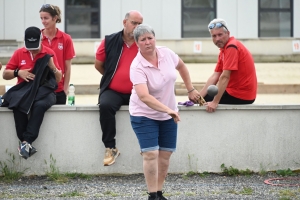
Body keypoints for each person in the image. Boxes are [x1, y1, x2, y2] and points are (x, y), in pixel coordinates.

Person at [129, 24, 200, 200]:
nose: (147, 42)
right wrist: (169, 110)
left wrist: (190, 89)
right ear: (137, 43)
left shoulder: (167, 53)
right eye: (143, 40)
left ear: (155, 38)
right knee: (151, 153)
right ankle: (152, 195)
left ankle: (159, 192)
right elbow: (144, 97)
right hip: (144, 114)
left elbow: (182, 67)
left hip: (168, 114)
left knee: (165, 155)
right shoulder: (137, 65)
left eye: (150, 38)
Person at [2, 26, 62, 159]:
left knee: (39, 105)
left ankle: (26, 141)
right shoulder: (19, 53)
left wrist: (52, 66)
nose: (33, 50)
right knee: (17, 104)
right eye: (30, 47)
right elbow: (5, 75)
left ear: (41, 40)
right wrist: (18, 72)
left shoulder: (49, 53)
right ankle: (25, 142)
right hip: (24, 91)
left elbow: (58, 79)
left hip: (46, 92)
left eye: (35, 47)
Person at [94, 10, 143, 166]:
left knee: (152, 106)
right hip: (113, 91)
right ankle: (110, 147)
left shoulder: (144, 41)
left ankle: (148, 146)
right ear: (125, 22)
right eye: (134, 23)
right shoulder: (110, 41)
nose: (137, 27)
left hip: (138, 90)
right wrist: (113, 77)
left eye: (140, 24)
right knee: (105, 105)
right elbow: (98, 65)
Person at [199, 18, 257, 113]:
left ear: (228, 33)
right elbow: (215, 76)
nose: (217, 39)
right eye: (214, 36)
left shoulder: (231, 47)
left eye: (220, 35)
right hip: (236, 93)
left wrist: (215, 102)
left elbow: (225, 77)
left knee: (206, 101)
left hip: (241, 95)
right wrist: (197, 99)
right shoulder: (223, 50)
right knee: (202, 100)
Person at [39, 4, 75, 104]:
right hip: (40, 87)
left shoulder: (66, 38)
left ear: (55, 18)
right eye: (41, 18)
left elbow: (67, 67)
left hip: (59, 88)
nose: (43, 21)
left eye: (46, 18)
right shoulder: (37, 37)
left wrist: (65, 88)